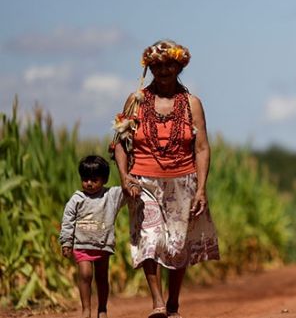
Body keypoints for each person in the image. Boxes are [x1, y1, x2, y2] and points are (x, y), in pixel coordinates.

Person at [110, 40, 219, 318]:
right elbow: (120, 143)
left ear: (179, 66)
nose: (163, 71)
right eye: (157, 66)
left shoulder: (192, 104)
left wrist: (201, 189)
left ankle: (173, 303)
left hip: (183, 182)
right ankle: (158, 303)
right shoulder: (136, 101)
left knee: (177, 244)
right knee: (150, 239)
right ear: (150, 68)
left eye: (169, 65)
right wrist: (125, 177)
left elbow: (202, 148)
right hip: (143, 182)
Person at [59, 155, 126, 318]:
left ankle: (102, 309)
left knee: (102, 278)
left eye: (94, 179)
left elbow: (128, 188)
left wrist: (123, 160)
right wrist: (66, 242)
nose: (89, 183)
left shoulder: (111, 195)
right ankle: (86, 310)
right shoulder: (77, 199)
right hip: (82, 245)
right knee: (85, 275)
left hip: (103, 246)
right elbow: (68, 220)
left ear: (104, 179)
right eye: (85, 179)